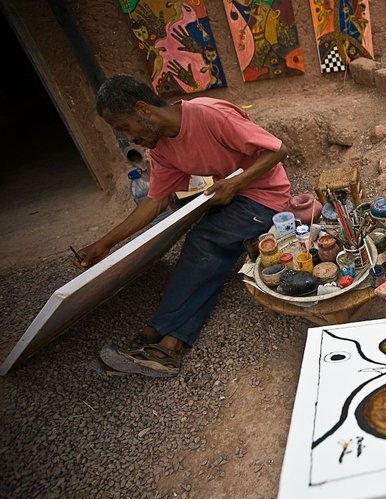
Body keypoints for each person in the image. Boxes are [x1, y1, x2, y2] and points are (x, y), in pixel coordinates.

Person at [80, 74, 290, 378]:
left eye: (126, 128)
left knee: (204, 241)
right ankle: (159, 332)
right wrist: (105, 243)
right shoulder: (162, 148)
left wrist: (236, 183)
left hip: (266, 198)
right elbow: (154, 202)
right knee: (203, 241)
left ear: (144, 109)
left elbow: (278, 150)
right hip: (229, 196)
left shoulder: (209, 114)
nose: (129, 139)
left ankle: (169, 344)